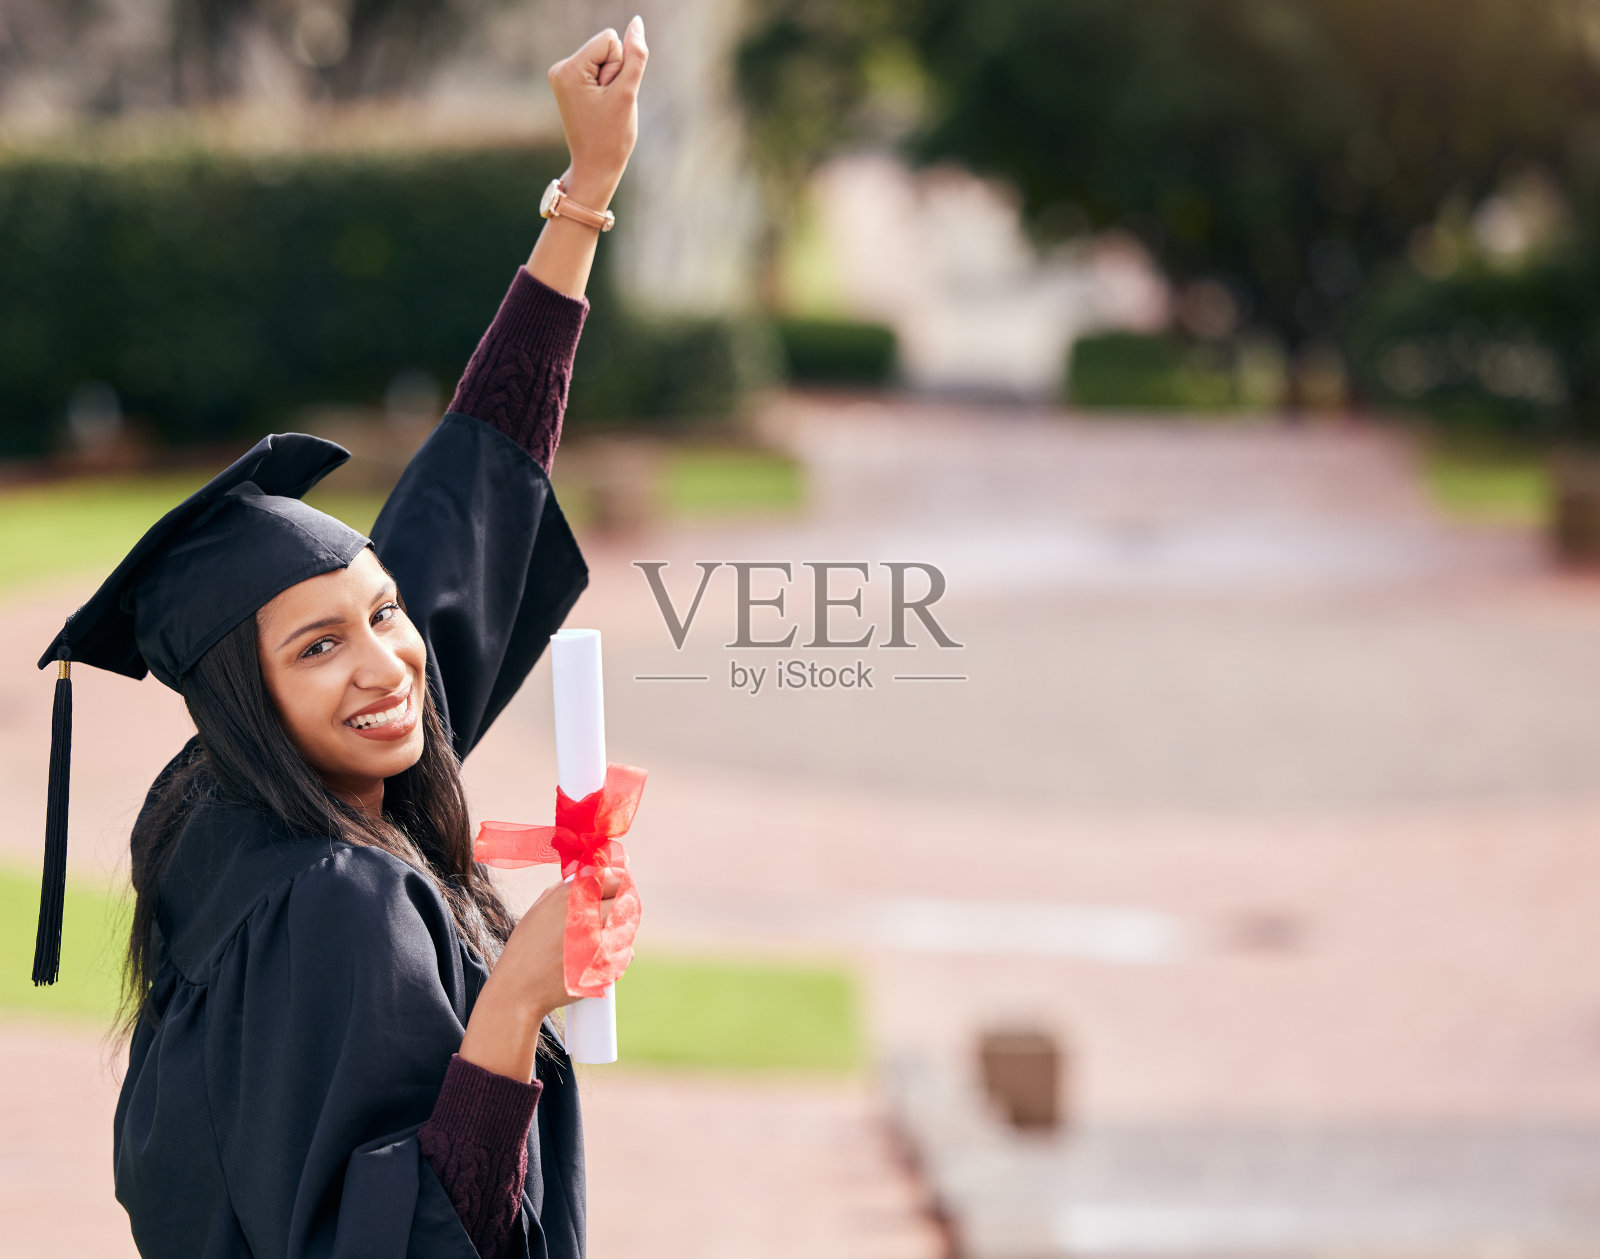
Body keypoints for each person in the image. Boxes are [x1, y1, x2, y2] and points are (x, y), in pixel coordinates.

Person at [29, 19, 651, 1258]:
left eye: (381, 611)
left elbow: (467, 502)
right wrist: (519, 996)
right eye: (316, 645)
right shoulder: (340, 900)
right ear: (246, 692)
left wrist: (582, 195)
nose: (385, 662)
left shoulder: (233, 806)